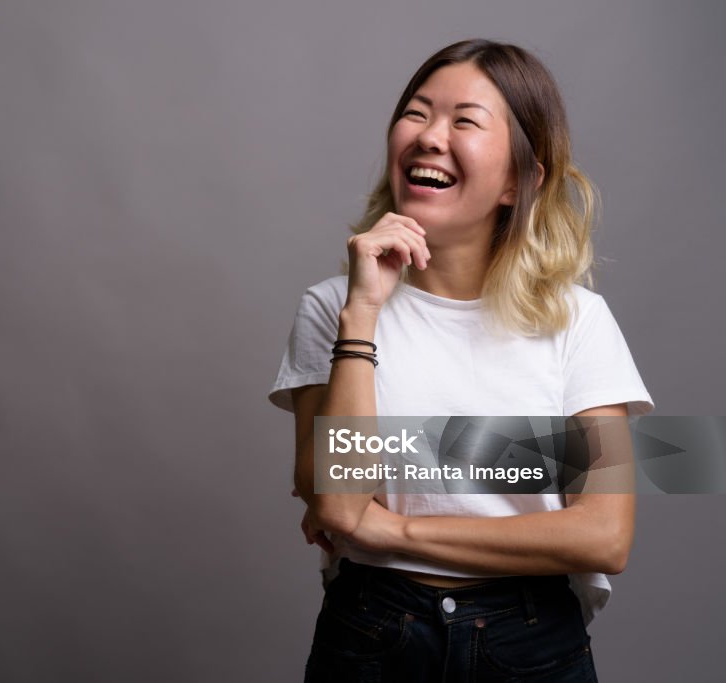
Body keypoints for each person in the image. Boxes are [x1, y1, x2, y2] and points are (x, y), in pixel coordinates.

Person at [268, 39, 653, 682]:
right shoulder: (331, 309)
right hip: (373, 628)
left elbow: (604, 537)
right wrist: (362, 316)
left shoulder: (578, 321)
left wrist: (395, 532)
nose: (429, 137)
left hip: (531, 640)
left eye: (465, 121)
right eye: (416, 113)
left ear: (518, 181)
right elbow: (338, 504)